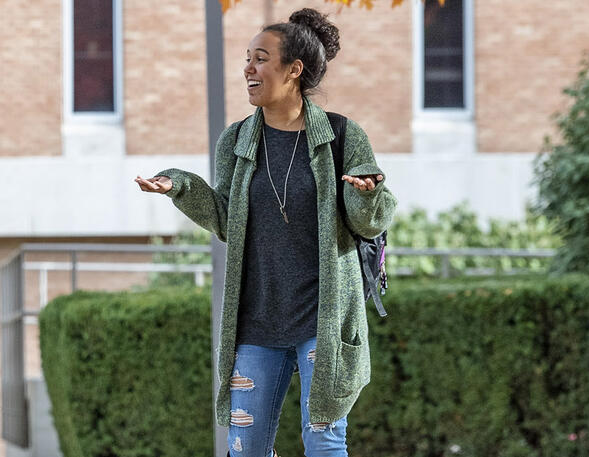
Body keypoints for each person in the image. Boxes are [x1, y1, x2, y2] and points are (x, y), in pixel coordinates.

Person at [134, 8, 395, 457]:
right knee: (245, 447)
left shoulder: (341, 135)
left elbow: (368, 221)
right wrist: (179, 184)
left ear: (293, 70)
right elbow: (226, 221)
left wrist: (367, 195)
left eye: (260, 59)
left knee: (325, 443)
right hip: (256, 320)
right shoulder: (235, 141)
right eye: (247, 59)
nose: (248, 69)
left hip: (324, 319)